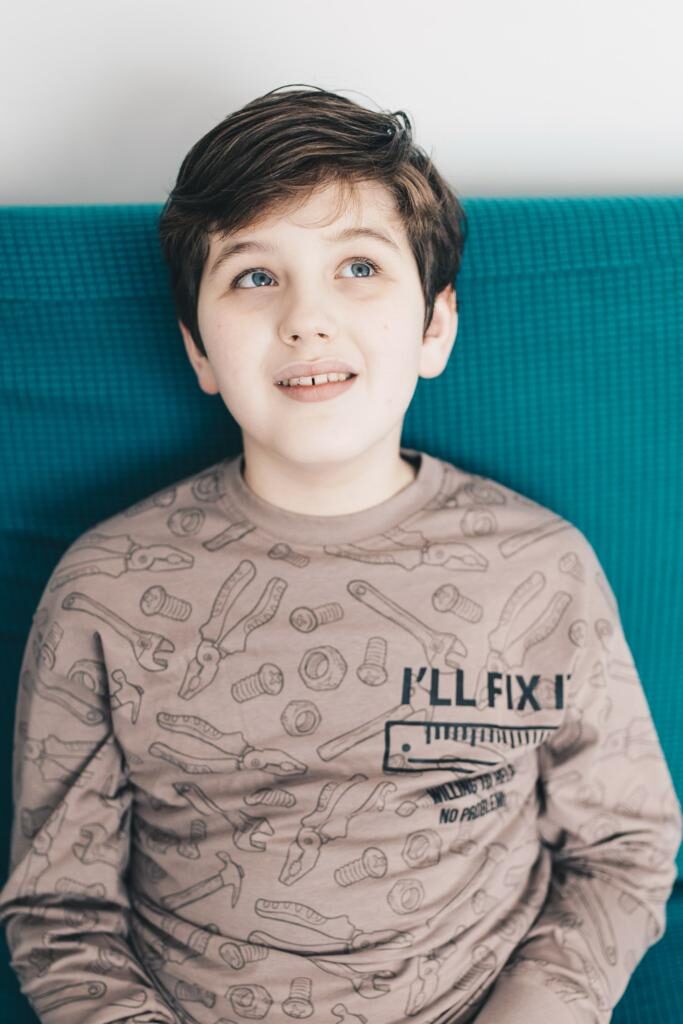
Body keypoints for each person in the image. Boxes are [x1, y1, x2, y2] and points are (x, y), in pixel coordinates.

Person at [0, 84, 680, 1024]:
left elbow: (625, 846)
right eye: (254, 276)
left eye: (357, 267)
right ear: (198, 351)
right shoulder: (101, 589)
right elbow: (58, 910)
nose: (305, 318)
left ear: (434, 326)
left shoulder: (540, 567)